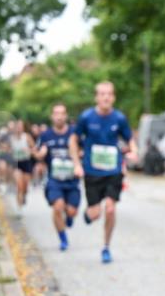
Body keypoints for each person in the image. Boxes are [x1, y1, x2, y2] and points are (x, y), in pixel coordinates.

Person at [71, 81, 137, 263]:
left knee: (110, 209)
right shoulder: (86, 117)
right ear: (96, 97)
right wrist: (76, 163)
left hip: (113, 171)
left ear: (113, 97)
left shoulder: (119, 118)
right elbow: (73, 140)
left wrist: (134, 151)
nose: (106, 97)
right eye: (102, 94)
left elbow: (130, 139)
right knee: (95, 214)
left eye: (109, 94)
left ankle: (106, 247)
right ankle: (88, 214)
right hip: (92, 172)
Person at [36, 104, 80, 251]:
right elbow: (39, 153)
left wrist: (79, 156)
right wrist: (39, 156)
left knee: (72, 211)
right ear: (52, 116)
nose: (59, 116)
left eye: (62, 113)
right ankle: (63, 239)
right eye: (56, 113)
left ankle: (70, 216)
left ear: (66, 116)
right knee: (57, 207)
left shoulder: (74, 134)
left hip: (72, 180)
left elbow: (84, 149)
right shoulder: (46, 135)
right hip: (54, 179)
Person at [10, 120, 36, 207]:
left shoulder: (27, 137)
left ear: (23, 128)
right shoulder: (11, 138)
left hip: (26, 162)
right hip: (16, 163)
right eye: (17, 126)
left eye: (21, 127)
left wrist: (28, 150)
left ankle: (24, 195)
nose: (19, 128)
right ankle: (19, 206)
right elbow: (6, 150)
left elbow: (34, 149)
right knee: (19, 185)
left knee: (25, 186)